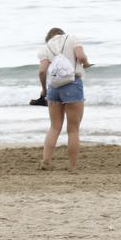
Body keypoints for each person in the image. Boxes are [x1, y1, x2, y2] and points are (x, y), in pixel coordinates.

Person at [37, 27, 91, 171]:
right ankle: (72, 167)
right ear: (61, 33)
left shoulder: (45, 48)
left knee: (54, 127)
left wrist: (44, 89)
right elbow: (81, 56)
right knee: (73, 129)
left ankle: (46, 161)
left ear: (49, 37)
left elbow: (42, 71)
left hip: (54, 88)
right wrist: (86, 64)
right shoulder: (72, 39)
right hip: (72, 85)